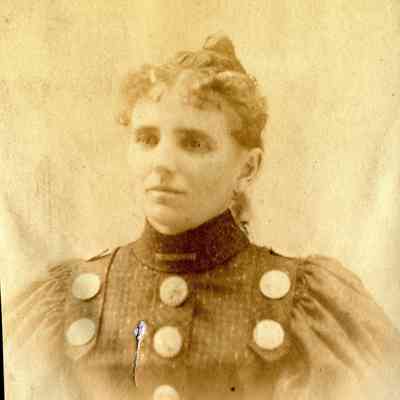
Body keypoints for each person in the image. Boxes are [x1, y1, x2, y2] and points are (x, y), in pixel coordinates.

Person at [4, 33, 400, 400]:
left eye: (194, 143)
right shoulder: (64, 303)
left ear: (248, 168)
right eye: (147, 139)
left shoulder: (310, 308)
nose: (162, 162)